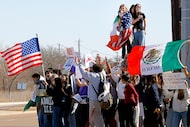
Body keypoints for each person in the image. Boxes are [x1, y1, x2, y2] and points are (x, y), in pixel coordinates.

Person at [76, 57, 105, 126]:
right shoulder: (102, 75)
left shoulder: (93, 76)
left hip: (94, 99)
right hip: (100, 98)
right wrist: (96, 63)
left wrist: (79, 64)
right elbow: (102, 69)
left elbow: (83, 73)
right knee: (96, 115)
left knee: (95, 116)